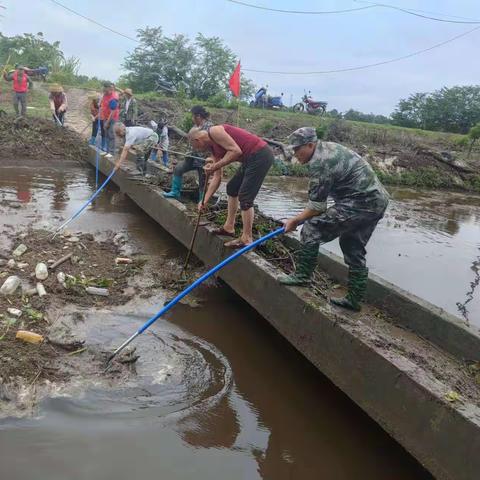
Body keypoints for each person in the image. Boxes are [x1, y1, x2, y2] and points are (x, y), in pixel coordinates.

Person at [279, 127, 389, 312]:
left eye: (297, 150)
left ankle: (303, 275)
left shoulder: (321, 162)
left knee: (312, 227)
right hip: (376, 201)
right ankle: (354, 300)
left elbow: (316, 208)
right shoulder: (326, 149)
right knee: (352, 244)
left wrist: (294, 220)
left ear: (310, 145)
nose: (295, 155)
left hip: (361, 202)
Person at [189, 124, 274, 247]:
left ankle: (247, 238)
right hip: (249, 159)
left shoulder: (214, 131)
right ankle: (229, 227)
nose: (198, 150)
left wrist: (214, 166)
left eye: (196, 147)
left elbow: (235, 151)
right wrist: (204, 200)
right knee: (232, 188)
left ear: (198, 140)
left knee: (245, 197)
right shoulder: (213, 149)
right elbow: (217, 177)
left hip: (260, 154)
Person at [163, 105, 213, 201]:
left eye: (192, 116)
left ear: (198, 116)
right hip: (191, 156)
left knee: (203, 181)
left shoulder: (209, 127)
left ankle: (201, 202)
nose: (192, 118)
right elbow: (190, 139)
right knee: (178, 169)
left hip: (203, 159)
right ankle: (175, 192)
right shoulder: (196, 126)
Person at [99, 81, 120, 154]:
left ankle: (111, 152)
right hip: (105, 116)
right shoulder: (105, 95)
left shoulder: (113, 98)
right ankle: (107, 151)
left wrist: (107, 122)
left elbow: (113, 112)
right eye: (104, 89)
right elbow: (103, 104)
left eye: (105, 89)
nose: (104, 91)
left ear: (109, 88)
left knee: (111, 134)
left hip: (112, 118)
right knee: (106, 134)